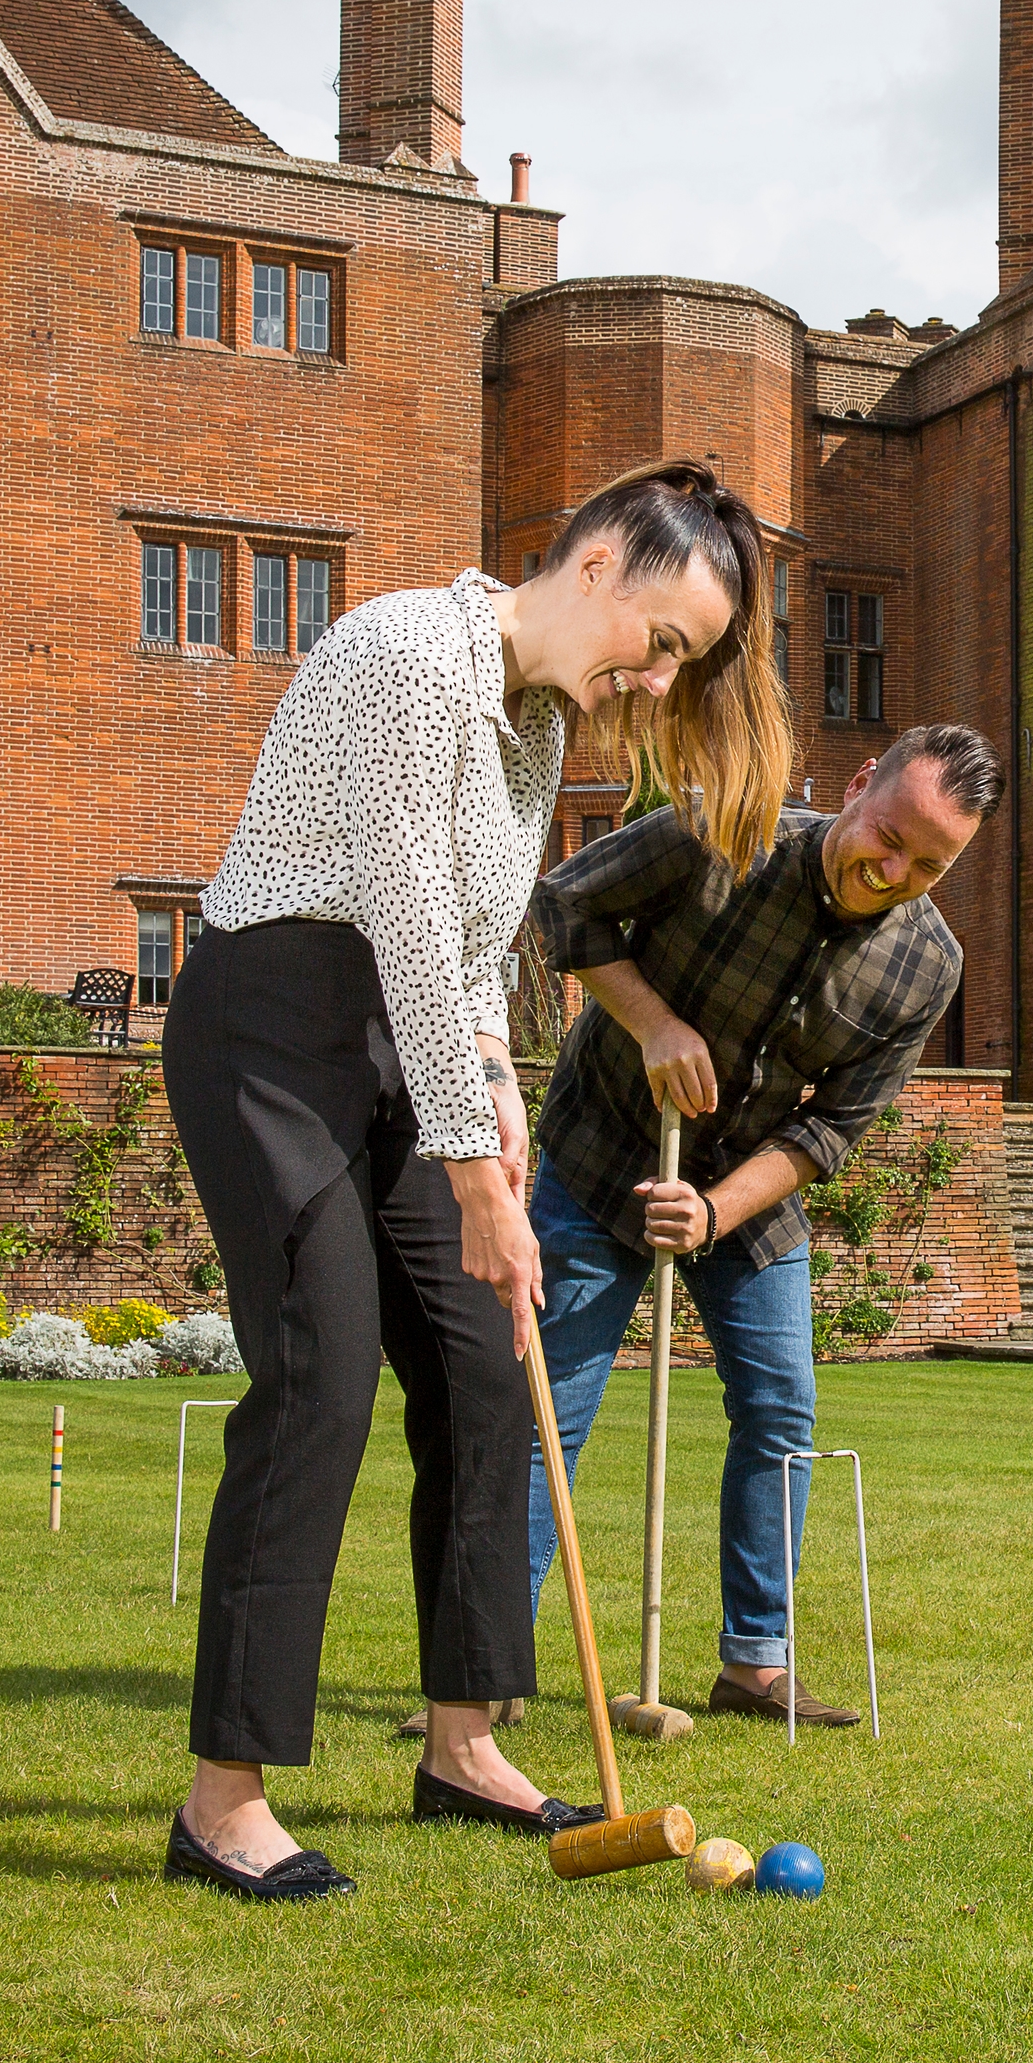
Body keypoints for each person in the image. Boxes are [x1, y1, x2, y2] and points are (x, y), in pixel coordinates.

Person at [156, 459, 790, 1903]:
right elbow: (392, 905)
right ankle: (223, 1801)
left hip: (400, 1038)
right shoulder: (403, 654)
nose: (655, 676)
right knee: (317, 1380)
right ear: (596, 568)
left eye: (683, 660)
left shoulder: (530, 737)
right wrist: (479, 1174)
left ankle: (464, 1744)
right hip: (272, 1023)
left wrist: (495, 1098)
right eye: (664, 639)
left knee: (482, 1363)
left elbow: (467, 944)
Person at [519, 722, 998, 1724]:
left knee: (782, 1414)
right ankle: (485, 1672)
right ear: (862, 782)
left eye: (929, 861)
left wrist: (711, 1209)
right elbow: (562, 904)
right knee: (545, 1417)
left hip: (746, 1190)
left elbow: (835, 1127)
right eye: (891, 833)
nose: (895, 866)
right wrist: (652, 1021)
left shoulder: (926, 964)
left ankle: (756, 1665)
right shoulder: (719, 834)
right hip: (605, 1148)